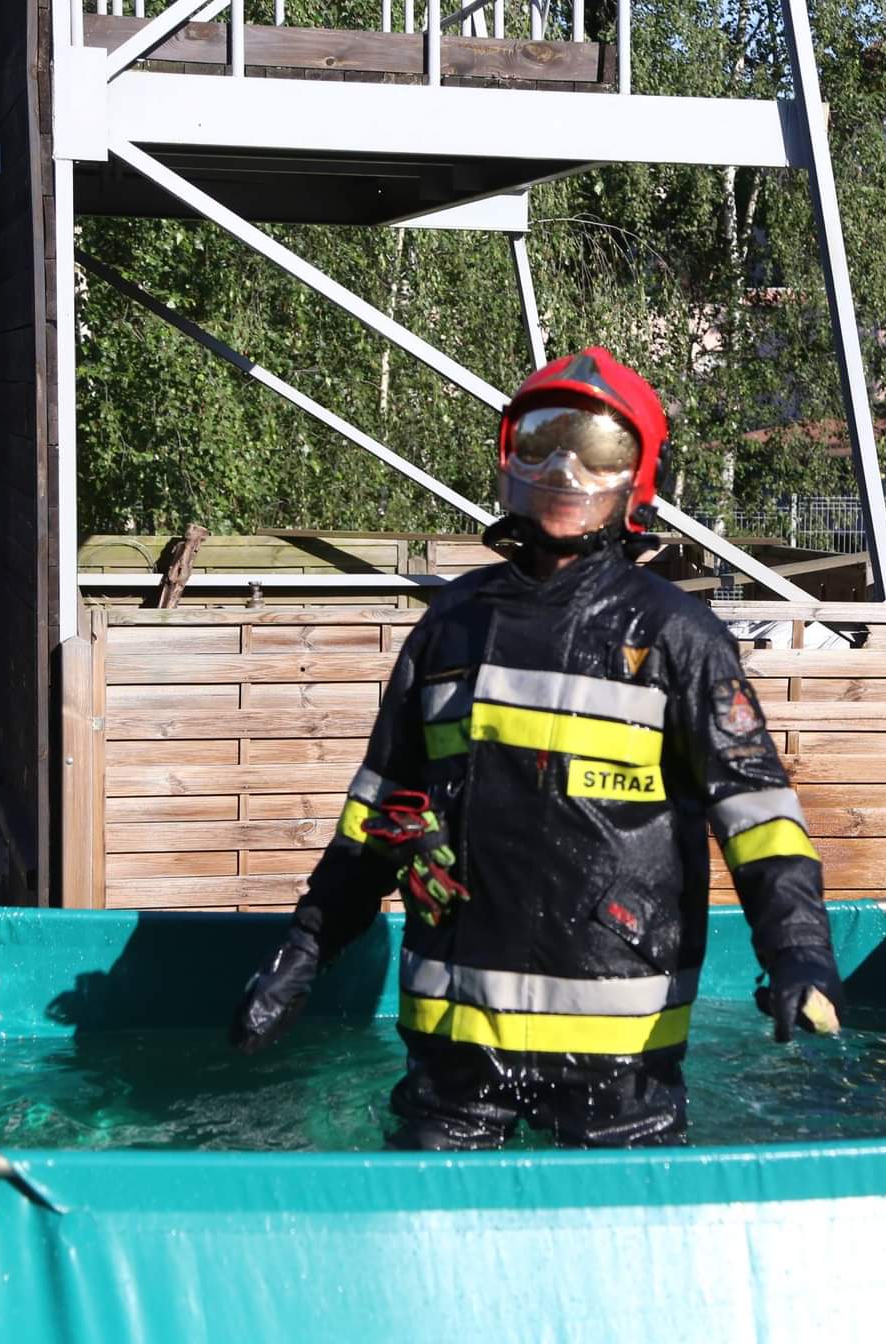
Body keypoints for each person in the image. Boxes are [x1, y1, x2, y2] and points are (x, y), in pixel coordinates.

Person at [228, 347, 843, 1150]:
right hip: (455, 1036)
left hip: (619, 1046)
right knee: (426, 1223)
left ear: (638, 477)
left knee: (619, 1227)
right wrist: (304, 949)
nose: (565, 470)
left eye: (597, 449)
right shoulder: (450, 628)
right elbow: (380, 811)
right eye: (542, 441)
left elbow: (757, 814)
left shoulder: (676, 637)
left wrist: (799, 952)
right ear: (507, 456)